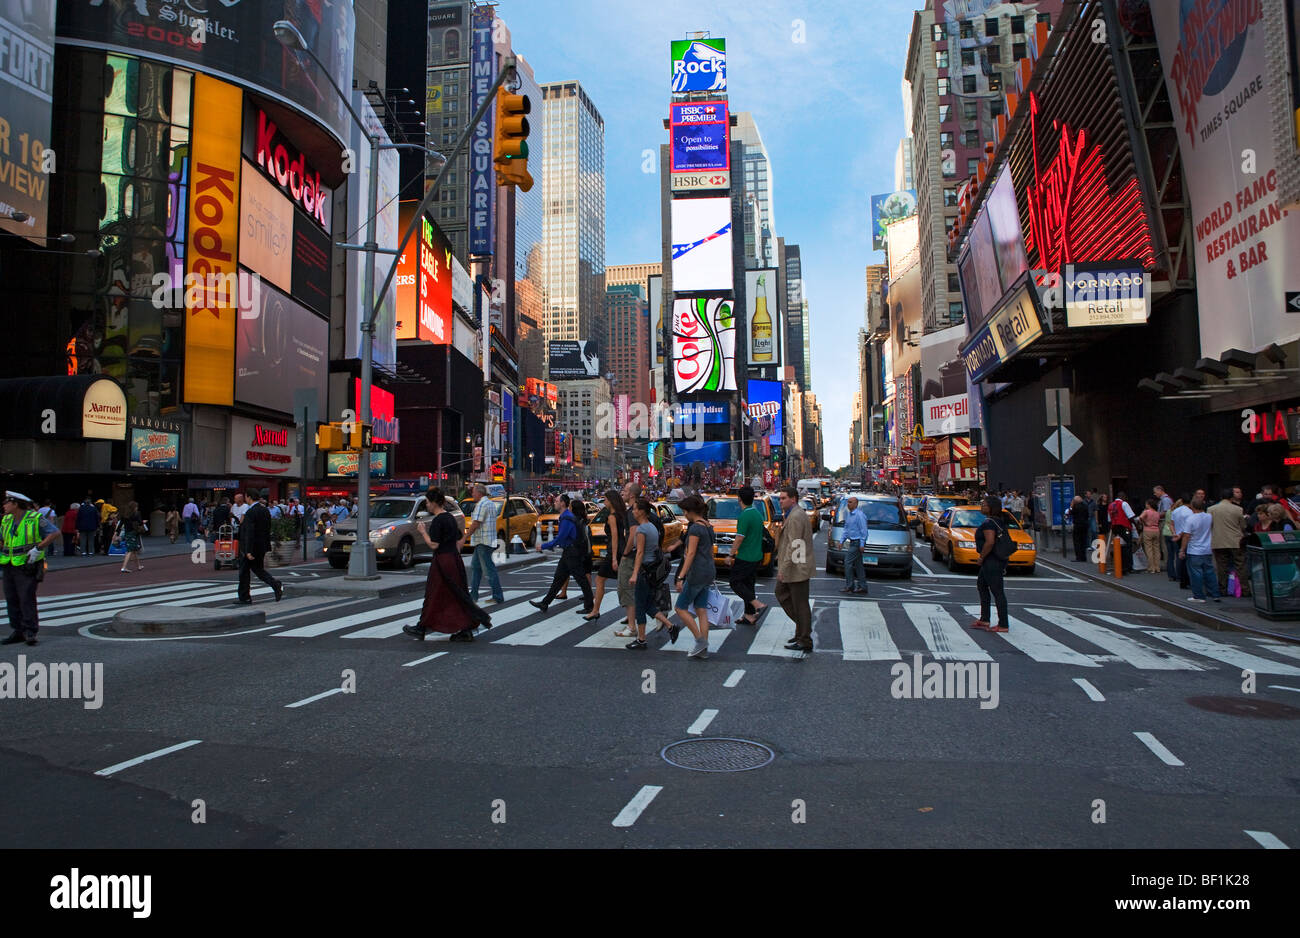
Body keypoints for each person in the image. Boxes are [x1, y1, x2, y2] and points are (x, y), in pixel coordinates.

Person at [403, 488, 490, 642]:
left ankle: (422, 628)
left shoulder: (438, 520)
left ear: (434, 503)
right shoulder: (450, 517)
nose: (427, 506)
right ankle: (465, 627)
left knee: (434, 594)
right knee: (456, 594)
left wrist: (423, 531)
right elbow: (457, 539)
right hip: (454, 559)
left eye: (428, 502)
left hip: (442, 561)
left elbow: (434, 545)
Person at [1, 491, 58, 646]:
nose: (4, 505)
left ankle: (30, 631)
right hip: (8, 564)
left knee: (26, 598)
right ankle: (18, 631)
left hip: (27, 564)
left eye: (6, 502)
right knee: (11, 598)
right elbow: (2, 539)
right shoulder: (6, 519)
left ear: (15, 503)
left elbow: (54, 533)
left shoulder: (35, 518)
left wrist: (38, 548)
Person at [531, 495, 595, 613]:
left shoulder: (566, 518)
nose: (554, 503)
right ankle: (545, 603)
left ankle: (590, 606)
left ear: (563, 503)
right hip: (569, 552)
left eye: (556, 501)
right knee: (558, 579)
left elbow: (560, 538)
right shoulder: (566, 517)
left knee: (581, 579)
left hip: (572, 553)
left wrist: (543, 546)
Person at [624, 498, 673, 649]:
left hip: (644, 571)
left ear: (641, 512)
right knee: (648, 605)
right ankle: (671, 626)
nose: (633, 511)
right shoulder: (651, 526)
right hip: (652, 571)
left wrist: (634, 574)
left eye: (635, 509)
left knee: (640, 605)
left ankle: (641, 639)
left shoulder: (641, 529)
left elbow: (639, 553)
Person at [673, 495, 716, 659]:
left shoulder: (695, 528)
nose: (684, 514)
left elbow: (690, 553)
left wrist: (681, 576)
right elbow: (710, 552)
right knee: (701, 610)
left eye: (684, 511)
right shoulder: (708, 526)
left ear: (690, 511)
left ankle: (700, 641)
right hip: (708, 570)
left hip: (697, 572)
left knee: (680, 607)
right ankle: (702, 649)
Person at [775, 486, 816, 656]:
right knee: (785, 595)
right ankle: (801, 631)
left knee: (799, 603)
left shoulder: (796, 516)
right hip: (796, 565)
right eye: (780, 498)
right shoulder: (793, 514)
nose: (780, 501)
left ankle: (804, 638)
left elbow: (795, 544)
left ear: (793, 499)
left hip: (797, 566)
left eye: (783, 498)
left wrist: (783, 568)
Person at [970, 495, 1011, 633]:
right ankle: (984, 618)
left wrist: (981, 557)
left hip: (991, 560)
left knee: (997, 591)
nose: (982, 507)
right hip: (993, 560)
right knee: (981, 585)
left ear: (991, 508)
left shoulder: (989, 523)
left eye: (984, 505)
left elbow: (990, 542)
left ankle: (1003, 624)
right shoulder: (997, 520)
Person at [236, 490, 283, 605]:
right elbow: (267, 528)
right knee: (258, 569)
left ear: (249, 497)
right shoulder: (265, 510)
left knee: (244, 572)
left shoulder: (251, 512)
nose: (245, 499)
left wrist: (248, 550)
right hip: (261, 545)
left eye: (246, 497)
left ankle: (245, 597)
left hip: (251, 547)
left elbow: (249, 532)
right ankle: (274, 584)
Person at [586, 490, 627, 621]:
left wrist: (614, 557)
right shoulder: (622, 515)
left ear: (611, 501)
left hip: (614, 552)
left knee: (600, 580)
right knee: (625, 583)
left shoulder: (612, 516)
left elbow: (615, 537)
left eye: (605, 500)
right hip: (622, 549)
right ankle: (630, 612)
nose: (604, 502)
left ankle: (595, 610)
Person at [730, 486, 767, 625]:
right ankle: (749, 615)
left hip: (746, 556)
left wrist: (730, 555)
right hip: (757, 555)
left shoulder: (745, 515)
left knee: (735, 582)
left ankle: (757, 604)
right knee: (748, 584)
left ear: (739, 498)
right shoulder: (757, 514)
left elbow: (739, 538)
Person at [464, 484, 505, 606]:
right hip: (486, 540)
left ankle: (497, 596)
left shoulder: (482, 504)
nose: (472, 494)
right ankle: (473, 595)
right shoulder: (490, 503)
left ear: (479, 493)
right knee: (476, 567)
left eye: (473, 492)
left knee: (489, 569)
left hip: (483, 541)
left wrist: (464, 537)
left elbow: (476, 523)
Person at [1208, 488, 1249, 597]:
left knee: (1222, 566)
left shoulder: (1211, 509)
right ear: (1232, 497)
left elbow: (1210, 525)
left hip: (1219, 540)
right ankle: (1245, 589)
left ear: (1221, 497)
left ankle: (1223, 589)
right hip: (1236, 540)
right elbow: (1243, 526)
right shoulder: (1238, 509)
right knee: (1240, 565)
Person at [615, 482, 643, 637]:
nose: (622, 492)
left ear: (632, 494)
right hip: (638, 555)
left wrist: (625, 553)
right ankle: (659, 612)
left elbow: (633, 534)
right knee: (636, 590)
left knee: (626, 590)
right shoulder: (641, 509)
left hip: (631, 557)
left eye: (625, 490)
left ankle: (632, 627)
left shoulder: (633, 511)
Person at [1180, 496, 1219, 603]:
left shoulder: (1190, 519)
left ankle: (1199, 595)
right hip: (1207, 549)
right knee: (1210, 572)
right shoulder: (1209, 517)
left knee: (1196, 574)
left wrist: (1182, 550)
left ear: (1192, 506)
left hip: (1194, 550)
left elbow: (1186, 536)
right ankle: (1215, 593)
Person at [840, 495, 870, 595]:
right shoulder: (849, 515)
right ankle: (862, 586)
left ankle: (850, 586)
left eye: (850, 502)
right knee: (858, 565)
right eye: (848, 502)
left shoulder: (859, 515)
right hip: (853, 542)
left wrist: (862, 544)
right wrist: (841, 541)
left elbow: (864, 531)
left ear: (856, 504)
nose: (848, 504)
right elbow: (846, 529)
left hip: (857, 543)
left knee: (847, 562)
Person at [1108, 491, 1136, 574]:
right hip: (1124, 527)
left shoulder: (1110, 505)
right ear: (1122, 497)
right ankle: (1128, 566)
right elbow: (1130, 516)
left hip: (1115, 527)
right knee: (1128, 546)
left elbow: (1109, 519)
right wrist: (1136, 525)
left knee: (1119, 546)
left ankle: (1120, 564)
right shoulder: (1124, 504)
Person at [117, 500, 145, 573]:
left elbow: (120, 525)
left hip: (127, 533)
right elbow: (140, 522)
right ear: (134, 507)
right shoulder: (136, 514)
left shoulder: (124, 515)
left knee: (134, 550)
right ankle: (124, 567)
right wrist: (143, 522)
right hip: (133, 533)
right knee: (130, 551)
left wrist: (116, 534)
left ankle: (138, 565)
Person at [1138, 498, 1163, 574]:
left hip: (1148, 530)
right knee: (1156, 549)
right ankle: (1157, 567)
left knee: (1149, 549)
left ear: (1148, 505)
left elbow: (1140, 518)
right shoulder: (1157, 513)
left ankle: (1151, 568)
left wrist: (1145, 523)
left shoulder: (1146, 511)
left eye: (1146, 504)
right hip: (1156, 530)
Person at [1069, 494, 1091, 562]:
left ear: (1075, 501)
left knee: (1077, 541)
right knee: (1083, 541)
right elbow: (1087, 515)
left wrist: (1071, 505)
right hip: (1085, 524)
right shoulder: (1085, 506)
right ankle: (1084, 557)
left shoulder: (1075, 506)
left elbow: (1070, 512)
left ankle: (1079, 557)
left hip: (1078, 525)